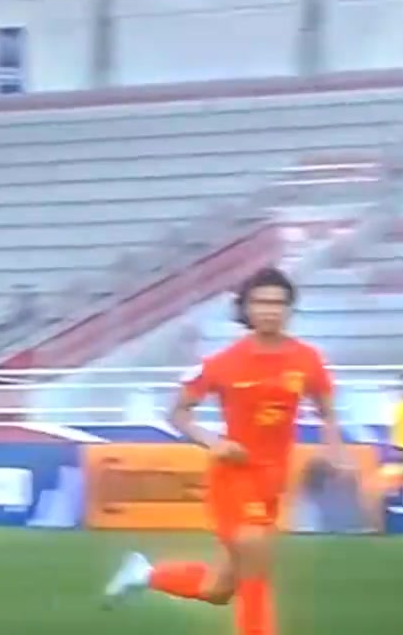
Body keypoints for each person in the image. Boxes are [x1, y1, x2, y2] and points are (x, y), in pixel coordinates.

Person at [104, 266, 346, 635]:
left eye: (278, 303)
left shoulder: (307, 360)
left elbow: (327, 411)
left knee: (218, 589)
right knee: (255, 558)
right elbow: (178, 413)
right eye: (261, 302)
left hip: (272, 482)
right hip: (234, 477)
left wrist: (336, 451)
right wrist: (215, 443)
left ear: (289, 309)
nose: (270, 310)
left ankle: (147, 574)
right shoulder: (223, 363)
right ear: (246, 308)